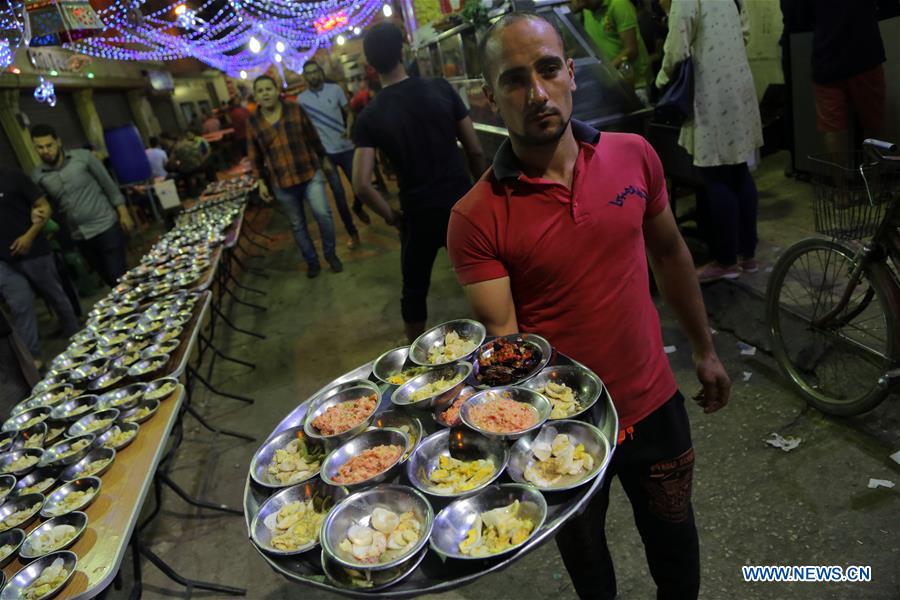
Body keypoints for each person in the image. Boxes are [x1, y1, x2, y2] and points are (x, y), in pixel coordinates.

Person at [447, 13, 731, 599]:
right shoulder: (475, 217)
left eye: (549, 70)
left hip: (654, 404)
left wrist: (705, 349)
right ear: (489, 97)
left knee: (677, 551)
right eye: (515, 80)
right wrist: (483, 422)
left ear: (572, 73)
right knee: (589, 569)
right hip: (562, 434)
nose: (538, 93)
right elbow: (506, 338)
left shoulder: (634, 156)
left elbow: (672, 254)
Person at [352, 21, 487, 342]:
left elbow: (361, 185)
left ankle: (414, 354)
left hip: (418, 214)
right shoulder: (440, 88)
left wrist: (392, 217)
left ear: (371, 64)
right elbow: (475, 148)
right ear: (402, 50)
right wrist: (480, 193)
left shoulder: (369, 116)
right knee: (483, 273)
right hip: (462, 205)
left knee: (414, 289)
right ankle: (502, 335)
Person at [656, 0, 763, 282]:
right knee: (739, 170)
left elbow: (677, 45)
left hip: (711, 92)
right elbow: (745, 33)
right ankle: (748, 256)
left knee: (716, 176)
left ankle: (727, 261)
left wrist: (662, 77)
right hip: (737, 85)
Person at [248, 75, 342, 278]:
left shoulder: (295, 109)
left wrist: (323, 158)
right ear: (256, 96)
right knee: (298, 225)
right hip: (282, 181)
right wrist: (261, 182)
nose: (265, 93)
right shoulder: (253, 122)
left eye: (268, 89)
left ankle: (330, 254)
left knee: (323, 215)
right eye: (260, 90)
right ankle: (312, 261)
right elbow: (254, 155)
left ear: (277, 90)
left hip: (309, 172)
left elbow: (312, 135)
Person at [31, 124, 134, 287]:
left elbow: (109, 186)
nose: (45, 151)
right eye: (40, 147)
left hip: (106, 225)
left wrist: (124, 213)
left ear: (58, 142)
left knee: (117, 275)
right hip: (80, 235)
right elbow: (44, 205)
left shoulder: (83, 158)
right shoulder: (38, 176)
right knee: (108, 279)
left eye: (49, 145)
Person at [0, 167, 79, 364]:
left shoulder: (14, 177)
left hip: (34, 252)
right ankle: (33, 360)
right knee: (20, 307)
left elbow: (44, 206)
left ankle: (78, 341)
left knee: (56, 296)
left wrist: (29, 236)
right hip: (5, 262)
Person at [299, 60, 371, 250]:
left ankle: (358, 206)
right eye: (309, 73)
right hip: (326, 153)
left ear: (321, 73)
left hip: (345, 146)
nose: (313, 75)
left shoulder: (335, 90)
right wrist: (318, 156)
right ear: (304, 77)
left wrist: (348, 128)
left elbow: (349, 112)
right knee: (338, 195)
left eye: (316, 71)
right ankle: (352, 232)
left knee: (360, 186)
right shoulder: (301, 100)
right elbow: (305, 130)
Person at [808, 0, 886, 155]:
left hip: (827, 56)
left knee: (833, 130)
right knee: (874, 125)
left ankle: (840, 179)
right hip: (865, 53)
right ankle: (873, 178)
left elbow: (801, 15)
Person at [572, 0, 652, 100]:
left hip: (635, 85)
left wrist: (605, 70)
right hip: (612, 84)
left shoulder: (619, 4)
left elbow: (631, 50)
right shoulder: (587, 10)